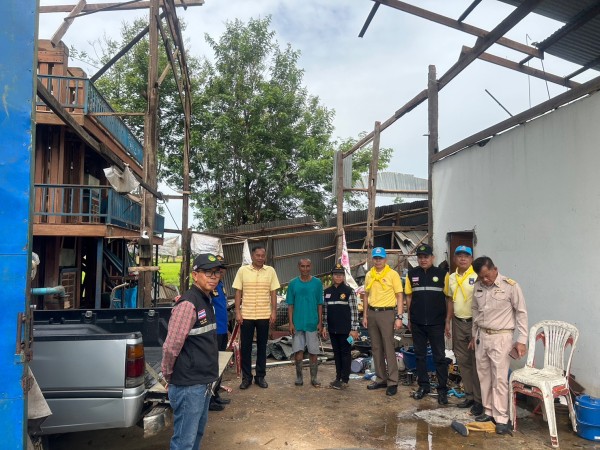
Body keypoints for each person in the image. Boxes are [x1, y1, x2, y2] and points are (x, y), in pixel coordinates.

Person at [162, 254, 221, 450]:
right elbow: (171, 346)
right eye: (208, 272)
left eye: (216, 273)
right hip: (189, 385)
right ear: (195, 275)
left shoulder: (206, 299)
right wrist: (168, 375)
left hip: (202, 382)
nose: (213, 277)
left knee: (196, 435)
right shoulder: (188, 304)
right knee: (184, 443)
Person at [470, 256, 528, 435]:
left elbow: (521, 313)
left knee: (500, 378)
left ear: (495, 269)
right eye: (481, 277)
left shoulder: (510, 286)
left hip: (501, 336)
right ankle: (488, 411)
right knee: (484, 376)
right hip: (482, 336)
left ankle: (502, 417)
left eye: (487, 275)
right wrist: (473, 335)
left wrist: (522, 340)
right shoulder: (478, 286)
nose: (485, 280)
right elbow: (475, 311)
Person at [405, 243, 451, 405]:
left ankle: (442, 390)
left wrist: (447, 321)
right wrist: (409, 319)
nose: (423, 260)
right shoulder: (412, 274)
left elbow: (449, 298)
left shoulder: (443, 274)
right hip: (417, 323)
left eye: (426, 257)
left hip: (436, 323)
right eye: (420, 257)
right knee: (420, 356)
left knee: (439, 357)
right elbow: (409, 297)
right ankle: (423, 386)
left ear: (432, 257)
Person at [233, 245, 280, 389]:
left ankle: (260, 377)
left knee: (262, 347)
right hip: (246, 315)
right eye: (257, 255)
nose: (260, 258)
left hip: (264, 315)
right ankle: (246, 378)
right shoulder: (243, 270)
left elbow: (273, 293)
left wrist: (273, 311)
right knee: (245, 347)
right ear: (252, 256)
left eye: (262, 256)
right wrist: (238, 311)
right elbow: (238, 292)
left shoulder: (270, 271)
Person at [445, 245, 483, 416]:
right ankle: (469, 396)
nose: (462, 259)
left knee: (476, 361)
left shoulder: (477, 276)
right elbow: (450, 300)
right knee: (463, 361)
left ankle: (479, 400)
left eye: (466, 256)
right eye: (459, 256)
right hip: (458, 322)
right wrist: (448, 321)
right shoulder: (451, 277)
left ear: (471, 259)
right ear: (455, 259)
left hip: (474, 323)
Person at [362, 247, 404, 396]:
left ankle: (393, 381)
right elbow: (366, 295)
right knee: (376, 347)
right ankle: (381, 378)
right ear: (372, 259)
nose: (378, 261)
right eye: (375, 258)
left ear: (385, 259)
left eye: (380, 258)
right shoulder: (369, 275)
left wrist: (399, 317)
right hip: (372, 313)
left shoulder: (392, 274)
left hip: (387, 313)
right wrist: (365, 315)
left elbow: (399, 295)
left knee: (388, 347)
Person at [322, 263, 360, 390]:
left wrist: (354, 329)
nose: (338, 277)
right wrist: (325, 326)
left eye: (340, 274)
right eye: (336, 274)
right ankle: (338, 378)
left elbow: (354, 311)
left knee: (345, 354)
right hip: (333, 329)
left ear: (343, 276)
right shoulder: (327, 292)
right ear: (332, 276)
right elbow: (325, 311)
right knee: (336, 354)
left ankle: (345, 379)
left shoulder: (349, 291)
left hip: (346, 330)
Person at [286, 258, 324, 387]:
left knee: (313, 351)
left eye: (307, 266)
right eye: (303, 266)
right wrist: (291, 323)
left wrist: (320, 322)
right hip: (297, 323)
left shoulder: (317, 283)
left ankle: (314, 378)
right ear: (299, 267)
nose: (305, 269)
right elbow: (290, 305)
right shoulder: (293, 283)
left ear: (311, 266)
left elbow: (320, 304)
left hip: (312, 323)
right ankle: (299, 377)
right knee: (298, 351)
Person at [209, 255, 231, 411]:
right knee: (212, 365)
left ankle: (215, 394)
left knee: (220, 364)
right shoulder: (209, 287)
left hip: (222, 329)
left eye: (222, 268)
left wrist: (228, 329)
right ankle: (209, 399)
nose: (220, 271)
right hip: (213, 331)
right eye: (217, 269)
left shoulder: (221, 285)